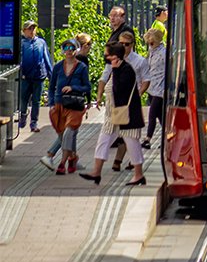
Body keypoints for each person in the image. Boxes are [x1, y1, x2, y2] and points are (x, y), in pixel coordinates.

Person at [80, 43, 146, 186]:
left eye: (107, 54)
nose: (106, 57)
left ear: (115, 56)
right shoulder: (116, 68)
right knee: (103, 141)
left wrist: (115, 71)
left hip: (127, 115)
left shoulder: (126, 70)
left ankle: (138, 175)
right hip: (113, 116)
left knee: (132, 143)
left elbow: (119, 90)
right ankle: (96, 172)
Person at [96, 31, 149, 171]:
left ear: (132, 45)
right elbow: (105, 77)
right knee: (108, 136)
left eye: (127, 44)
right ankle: (98, 169)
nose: (124, 46)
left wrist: (138, 94)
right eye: (121, 44)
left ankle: (127, 165)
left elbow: (145, 80)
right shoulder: (113, 60)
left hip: (128, 106)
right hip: (114, 107)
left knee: (129, 138)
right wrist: (99, 94)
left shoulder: (137, 62)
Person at [39, 39, 90, 174]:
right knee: (63, 135)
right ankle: (73, 159)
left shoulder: (81, 67)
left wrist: (73, 87)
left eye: (72, 47)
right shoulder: (57, 67)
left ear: (76, 49)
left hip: (74, 105)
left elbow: (87, 86)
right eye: (65, 47)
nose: (68, 50)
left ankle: (58, 161)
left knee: (68, 133)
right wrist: (51, 104)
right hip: (59, 104)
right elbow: (51, 87)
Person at [19, 20, 53, 133]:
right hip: (25, 76)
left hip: (39, 76)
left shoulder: (41, 42)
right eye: (29, 29)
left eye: (33, 28)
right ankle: (23, 116)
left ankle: (34, 123)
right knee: (24, 99)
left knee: (36, 101)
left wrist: (50, 74)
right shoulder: (21, 43)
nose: (32, 31)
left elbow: (46, 58)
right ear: (24, 30)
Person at [142, 28, 165, 149]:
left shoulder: (164, 53)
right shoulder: (151, 51)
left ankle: (147, 139)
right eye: (148, 43)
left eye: (152, 42)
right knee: (160, 116)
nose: (150, 45)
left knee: (152, 113)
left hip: (160, 88)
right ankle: (167, 138)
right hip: (152, 87)